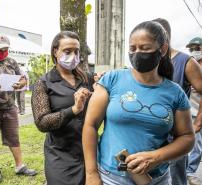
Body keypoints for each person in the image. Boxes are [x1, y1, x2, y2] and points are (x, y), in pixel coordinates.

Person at [82, 21, 195, 185]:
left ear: (162, 49)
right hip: (110, 178)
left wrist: (154, 158)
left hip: (156, 179)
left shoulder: (175, 92)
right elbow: (90, 125)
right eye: (132, 48)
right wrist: (91, 174)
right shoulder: (111, 80)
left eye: (145, 48)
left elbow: (187, 138)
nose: (137, 53)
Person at [31, 31, 94, 185]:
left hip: (89, 152)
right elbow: (42, 122)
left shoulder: (87, 78)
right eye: (67, 51)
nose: (73, 55)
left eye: (76, 51)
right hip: (61, 155)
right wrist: (73, 110)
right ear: (55, 51)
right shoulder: (44, 83)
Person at [0, 35, 37, 183]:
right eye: (0, 49)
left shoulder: (12, 61)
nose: (4, 52)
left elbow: (23, 78)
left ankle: (19, 166)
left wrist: (20, 84)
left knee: (13, 137)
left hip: (9, 107)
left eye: (6, 49)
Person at [153, 18, 202, 185]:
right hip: (152, 137)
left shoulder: (186, 62)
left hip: (175, 139)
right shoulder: (149, 62)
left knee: (176, 179)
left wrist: (197, 124)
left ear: (165, 37)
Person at [185, 37, 202, 185]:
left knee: (198, 145)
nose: (193, 51)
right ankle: (187, 170)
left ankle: (190, 171)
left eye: (197, 48)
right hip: (188, 114)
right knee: (187, 144)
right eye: (191, 49)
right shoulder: (189, 67)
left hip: (199, 116)